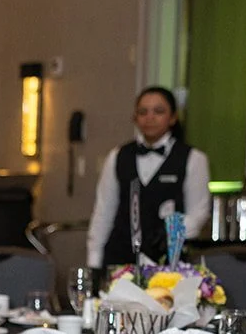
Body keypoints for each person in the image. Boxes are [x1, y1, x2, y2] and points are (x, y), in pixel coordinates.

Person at [86, 86, 210, 270]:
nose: (149, 118)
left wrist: (171, 232)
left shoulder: (193, 159)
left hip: (168, 261)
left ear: (173, 118)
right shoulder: (118, 156)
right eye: (143, 112)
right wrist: (94, 261)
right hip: (120, 256)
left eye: (158, 111)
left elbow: (198, 213)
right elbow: (103, 212)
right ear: (135, 118)